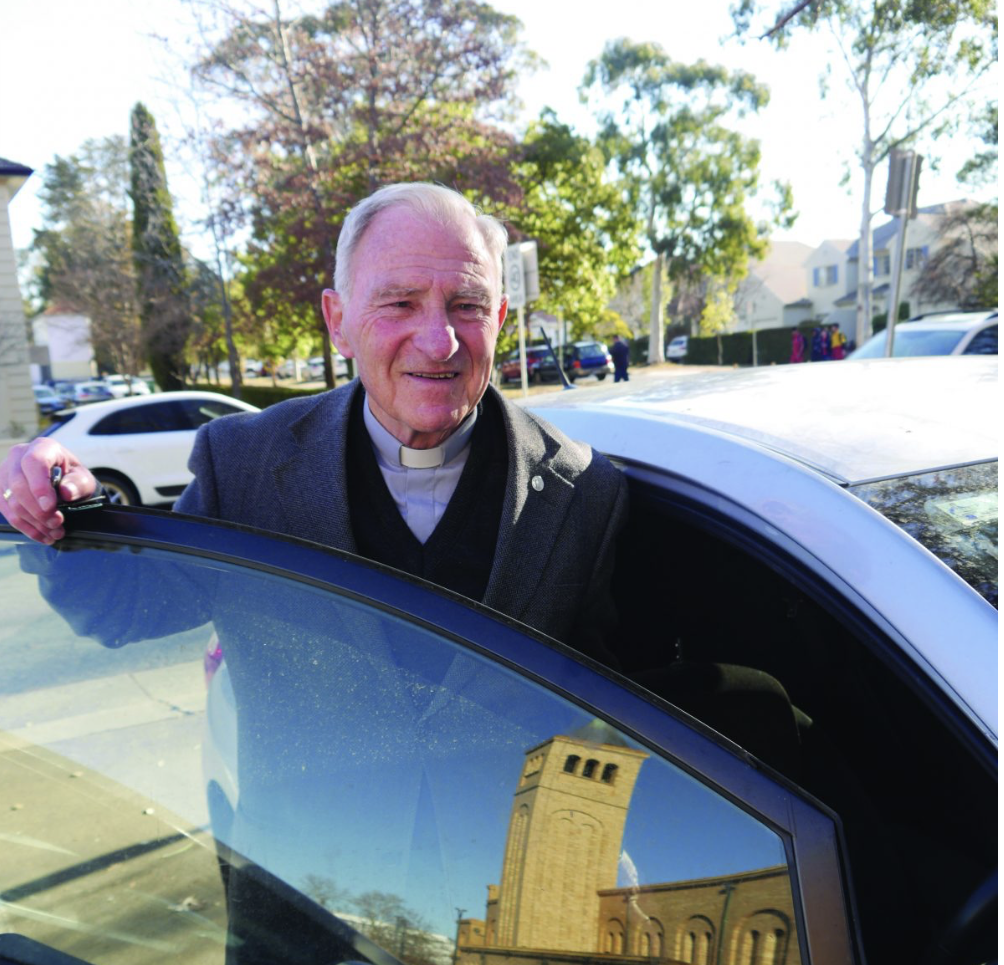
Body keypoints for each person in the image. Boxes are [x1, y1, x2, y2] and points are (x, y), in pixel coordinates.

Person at [1, 182, 627, 660]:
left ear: (500, 317)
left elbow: (616, 709)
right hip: (300, 835)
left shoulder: (584, 491)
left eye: (466, 306)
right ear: (338, 321)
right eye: (399, 303)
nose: (439, 342)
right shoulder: (243, 462)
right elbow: (127, 606)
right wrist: (61, 507)